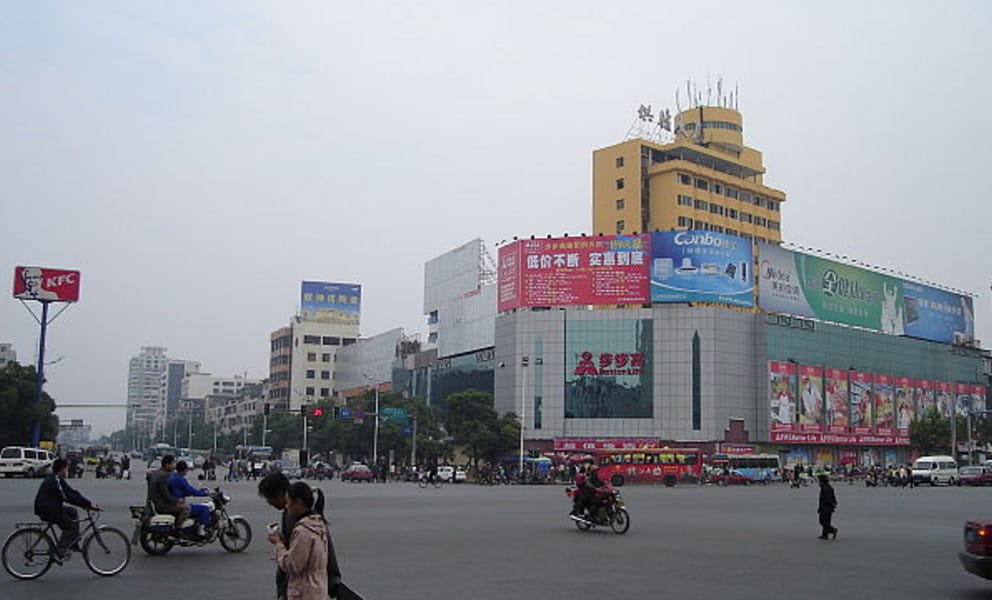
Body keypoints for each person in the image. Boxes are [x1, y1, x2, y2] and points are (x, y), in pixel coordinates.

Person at [259, 472, 343, 600]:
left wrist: (278, 543)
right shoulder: (315, 521)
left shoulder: (299, 524)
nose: (269, 503)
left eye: (269, 498)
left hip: (303, 590)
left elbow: (293, 565)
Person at [34, 458, 100, 559]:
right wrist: (88, 504)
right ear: (62, 469)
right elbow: (69, 496)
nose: (67, 471)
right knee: (71, 528)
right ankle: (59, 550)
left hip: (50, 506)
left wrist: (85, 504)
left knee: (72, 512)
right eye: (67, 469)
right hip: (48, 510)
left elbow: (72, 492)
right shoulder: (56, 480)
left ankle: (73, 542)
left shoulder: (57, 479)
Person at [169, 460, 212, 537]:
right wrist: (206, 494)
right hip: (178, 504)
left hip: (174, 502)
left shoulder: (173, 477)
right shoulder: (180, 479)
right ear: (185, 470)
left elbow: (185, 491)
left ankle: (194, 526)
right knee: (204, 509)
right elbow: (191, 491)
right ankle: (200, 531)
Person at [146, 454, 190, 528]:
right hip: (162, 505)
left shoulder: (155, 473)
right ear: (167, 465)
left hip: (154, 503)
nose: (174, 466)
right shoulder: (164, 476)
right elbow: (165, 494)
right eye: (173, 463)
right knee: (186, 508)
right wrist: (177, 500)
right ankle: (177, 529)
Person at [817, 474, 838, 540]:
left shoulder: (825, 488)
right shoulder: (826, 487)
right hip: (827, 507)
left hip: (826, 508)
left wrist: (831, 505)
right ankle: (825, 534)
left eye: (819, 481)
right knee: (826, 521)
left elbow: (827, 500)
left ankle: (833, 530)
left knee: (823, 521)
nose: (818, 482)